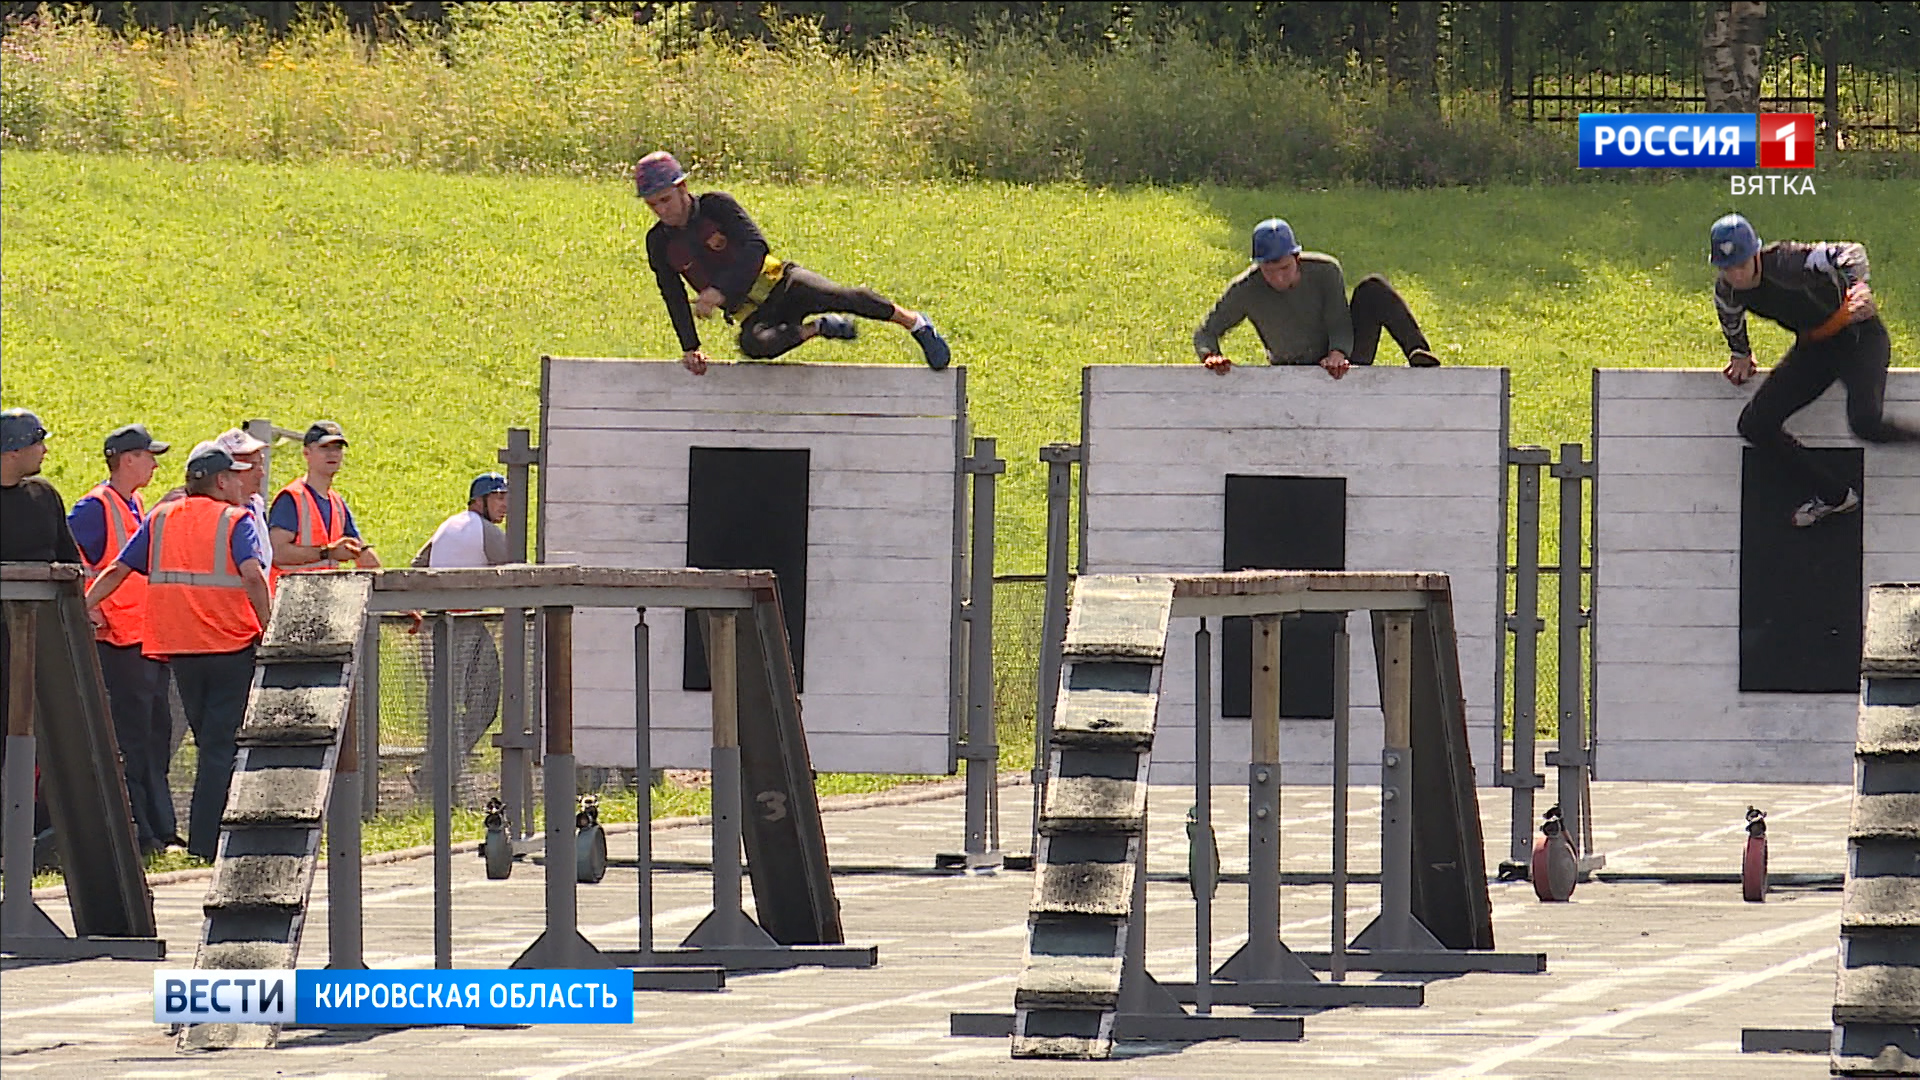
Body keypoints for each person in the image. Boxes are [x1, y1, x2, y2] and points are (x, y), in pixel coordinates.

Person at [86, 444, 271, 862]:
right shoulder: (234, 519)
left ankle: (204, 839)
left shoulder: (161, 517)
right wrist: (269, 627)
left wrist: (82, 606)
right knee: (221, 746)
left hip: (180, 649)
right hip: (229, 645)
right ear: (221, 481)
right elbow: (252, 576)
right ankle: (208, 844)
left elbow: (118, 568)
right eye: (236, 476)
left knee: (209, 741)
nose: (243, 482)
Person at [635, 150, 952, 374]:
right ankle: (819, 328)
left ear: (683, 188)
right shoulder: (659, 242)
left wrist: (719, 290)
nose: (661, 210)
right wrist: (690, 347)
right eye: (653, 205)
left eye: (665, 200)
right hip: (753, 312)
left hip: (783, 283)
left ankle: (915, 323)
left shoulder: (717, 206)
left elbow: (756, 247)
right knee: (753, 344)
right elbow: (672, 295)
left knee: (845, 297)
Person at [1713, 213, 1920, 527]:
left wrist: (1859, 288)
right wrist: (1740, 352)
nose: (1736, 275)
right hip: (1816, 349)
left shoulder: (1787, 261)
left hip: (1859, 336)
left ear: (1756, 254)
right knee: (1755, 425)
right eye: (1727, 269)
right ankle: (1834, 495)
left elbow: (1851, 253)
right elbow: (1730, 317)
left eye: (1741, 265)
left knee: (1865, 423)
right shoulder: (1727, 290)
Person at [67, 423, 180, 854]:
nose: (154, 464)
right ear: (127, 459)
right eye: (148, 455)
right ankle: (143, 833)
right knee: (132, 741)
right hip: (117, 642)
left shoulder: (133, 503)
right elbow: (64, 554)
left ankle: (161, 829)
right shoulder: (94, 508)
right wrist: (88, 607)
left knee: (156, 737)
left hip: (146, 640)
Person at [1195, 218, 1442, 379]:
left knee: (1372, 288)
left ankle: (1419, 354)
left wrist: (1338, 353)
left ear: (1297, 258)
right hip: (1293, 371)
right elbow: (1206, 331)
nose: (1278, 279)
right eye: (1269, 272)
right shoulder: (1246, 288)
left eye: (1284, 269)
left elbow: (1338, 319)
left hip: (1341, 362)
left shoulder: (1325, 271)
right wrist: (1210, 355)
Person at [0, 408, 76, 848]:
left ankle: (31, 832)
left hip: (41, 642)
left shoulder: (43, 496)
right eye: (37, 442)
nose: (44, 450)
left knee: (40, 744)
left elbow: (69, 560)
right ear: (13, 451)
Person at [413, 473, 513, 758]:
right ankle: (442, 765)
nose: (504, 505)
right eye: (498, 497)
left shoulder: (447, 525)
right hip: (467, 626)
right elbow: (514, 571)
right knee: (484, 701)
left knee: (443, 703)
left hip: (436, 625)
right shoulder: (487, 531)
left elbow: (417, 564)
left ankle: (439, 767)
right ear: (480, 501)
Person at [268, 420, 380, 586]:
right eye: (324, 448)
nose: (332, 454)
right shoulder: (291, 498)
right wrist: (328, 553)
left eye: (337, 448)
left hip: (324, 600)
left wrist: (394, 592)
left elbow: (360, 551)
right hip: (290, 600)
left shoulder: (337, 503)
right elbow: (277, 553)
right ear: (306, 453)